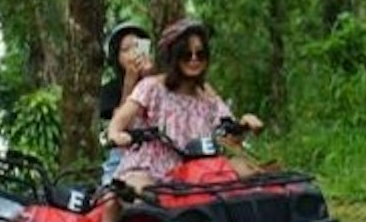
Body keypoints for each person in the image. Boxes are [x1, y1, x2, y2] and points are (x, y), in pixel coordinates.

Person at [106, 16, 263, 194]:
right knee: (140, 192)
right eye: (186, 54)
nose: (194, 59)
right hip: (150, 168)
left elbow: (228, 134)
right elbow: (118, 122)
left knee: (247, 173)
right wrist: (116, 135)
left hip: (196, 170)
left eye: (200, 54)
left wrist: (244, 125)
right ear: (174, 56)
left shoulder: (206, 94)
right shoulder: (152, 87)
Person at [98, 20, 154, 185]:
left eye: (137, 47)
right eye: (125, 50)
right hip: (122, 156)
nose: (132, 53)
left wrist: (150, 77)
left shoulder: (160, 80)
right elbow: (121, 125)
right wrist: (130, 82)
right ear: (117, 56)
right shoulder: (110, 89)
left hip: (157, 153)